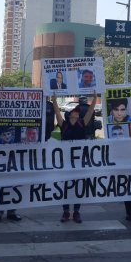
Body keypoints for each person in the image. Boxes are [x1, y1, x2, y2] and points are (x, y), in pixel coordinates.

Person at [52, 92, 97, 223]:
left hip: (79, 161)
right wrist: (54, 100)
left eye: (78, 111)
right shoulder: (64, 125)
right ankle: (66, 212)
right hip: (65, 161)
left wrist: (94, 98)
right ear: (69, 114)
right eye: (75, 111)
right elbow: (57, 112)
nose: (77, 112)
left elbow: (90, 111)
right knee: (65, 187)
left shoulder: (82, 123)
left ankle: (76, 212)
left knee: (79, 187)